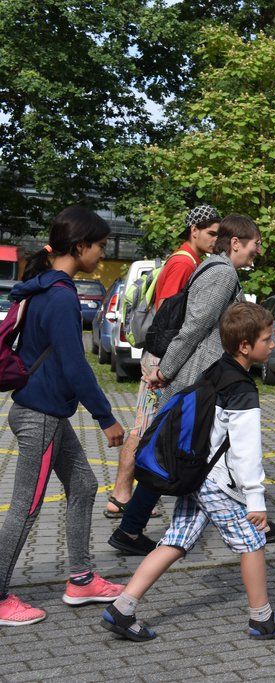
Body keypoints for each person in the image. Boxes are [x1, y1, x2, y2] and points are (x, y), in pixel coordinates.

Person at [101, 302, 275, 641]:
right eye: (268, 339)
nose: (273, 345)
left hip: (195, 473)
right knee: (253, 541)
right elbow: (246, 452)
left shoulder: (217, 369)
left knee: (175, 541)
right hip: (216, 482)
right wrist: (256, 499)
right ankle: (262, 619)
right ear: (245, 346)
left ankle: (122, 608)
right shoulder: (241, 389)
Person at [109, 214, 275, 556]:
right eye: (254, 245)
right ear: (236, 243)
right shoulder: (222, 273)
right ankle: (133, 530)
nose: (257, 252)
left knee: (192, 454)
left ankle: (132, 530)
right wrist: (166, 371)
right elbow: (193, 327)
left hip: (204, 377)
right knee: (187, 453)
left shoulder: (218, 269)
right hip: (197, 378)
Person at [0, 206, 126, 627]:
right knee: (27, 506)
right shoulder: (59, 296)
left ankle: (82, 579)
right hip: (41, 415)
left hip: (44, 410)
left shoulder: (44, 288)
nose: (102, 253)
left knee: (85, 485)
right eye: (101, 245)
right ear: (80, 246)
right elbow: (76, 366)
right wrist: (106, 417)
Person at [105, 204, 220, 519]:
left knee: (148, 424)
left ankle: (126, 494)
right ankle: (121, 494)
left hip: (161, 356)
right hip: (160, 356)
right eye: (211, 233)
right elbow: (168, 315)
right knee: (143, 427)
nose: (215, 240)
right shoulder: (183, 263)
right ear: (193, 231)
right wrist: (168, 365)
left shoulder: (190, 260)